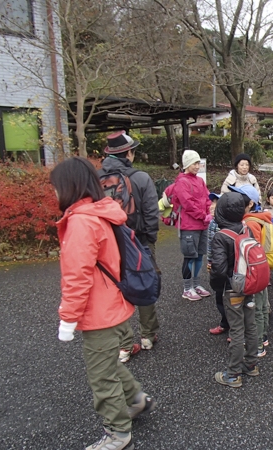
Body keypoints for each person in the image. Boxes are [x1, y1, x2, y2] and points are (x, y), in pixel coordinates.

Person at [51, 157, 155, 450]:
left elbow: (77, 277)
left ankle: (118, 434)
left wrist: (68, 319)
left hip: (99, 312)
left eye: (56, 187)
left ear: (68, 186)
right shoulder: (102, 213)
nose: (55, 193)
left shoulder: (81, 222)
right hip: (115, 303)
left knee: (101, 376)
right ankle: (135, 399)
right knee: (108, 364)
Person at [99, 130, 161, 363]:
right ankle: (148, 335)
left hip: (109, 242)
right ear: (129, 153)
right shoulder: (141, 177)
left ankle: (124, 344)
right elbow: (151, 212)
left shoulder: (96, 178)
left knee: (116, 288)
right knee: (144, 282)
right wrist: (150, 240)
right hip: (138, 240)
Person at [210, 192, 260, 388]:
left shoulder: (221, 236)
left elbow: (219, 270)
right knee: (251, 324)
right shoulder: (247, 229)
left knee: (237, 329)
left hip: (232, 288)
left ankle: (233, 374)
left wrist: (217, 287)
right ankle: (251, 364)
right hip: (249, 283)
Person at [230, 184, 273, 357]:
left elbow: (251, 251)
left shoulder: (249, 223)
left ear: (249, 204)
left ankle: (258, 344)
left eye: (239, 199)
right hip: (264, 268)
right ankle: (263, 337)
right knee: (262, 305)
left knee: (256, 307)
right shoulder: (259, 217)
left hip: (254, 271)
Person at [165, 150, 212, 301]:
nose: (198, 166)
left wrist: (207, 213)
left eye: (199, 163)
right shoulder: (181, 182)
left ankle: (196, 284)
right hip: (189, 225)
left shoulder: (199, 181)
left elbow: (207, 198)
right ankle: (187, 288)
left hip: (202, 224)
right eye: (195, 163)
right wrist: (204, 215)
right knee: (189, 257)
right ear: (187, 164)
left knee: (199, 256)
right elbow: (188, 204)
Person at [206, 193, 229, 336]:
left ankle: (236, 328)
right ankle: (224, 322)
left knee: (232, 296)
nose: (212, 205)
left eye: (216, 203)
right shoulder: (212, 223)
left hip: (229, 265)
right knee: (219, 294)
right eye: (212, 202)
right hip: (216, 265)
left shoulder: (230, 223)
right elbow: (209, 244)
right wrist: (209, 261)